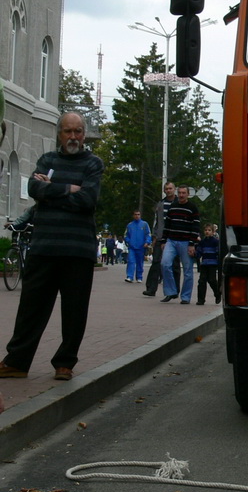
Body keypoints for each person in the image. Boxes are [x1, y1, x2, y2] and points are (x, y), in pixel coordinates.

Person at [0, 112, 103, 381]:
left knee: (74, 311)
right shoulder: (47, 160)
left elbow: (88, 200)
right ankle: (17, 362)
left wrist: (52, 190)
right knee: (30, 308)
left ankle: (64, 363)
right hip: (43, 247)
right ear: (59, 134)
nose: (73, 137)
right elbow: (34, 188)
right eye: (68, 131)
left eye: (78, 131)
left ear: (84, 134)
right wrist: (70, 189)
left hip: (77, 250)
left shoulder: (93, 163)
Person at [159, 184, 200, 304]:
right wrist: (163, 240)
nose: (181, 195)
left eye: (183, 193)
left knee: (188, 271)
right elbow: (167, 225)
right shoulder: (173, 206)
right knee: (165, 264)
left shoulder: (192, 208)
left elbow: (195, 227)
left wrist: (192, 243)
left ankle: (186, 297)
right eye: (180, 193)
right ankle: (171, 291)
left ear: (188, 194)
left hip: (186, 242)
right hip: (171, 240)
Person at [142, 181, 181, 297]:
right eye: (166, 189)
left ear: (174, 189)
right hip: (161, 237)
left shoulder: (179, 203)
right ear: (164, 190)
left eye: (170, 188)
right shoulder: (161, 204)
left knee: (174, 264)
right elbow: (156, 221)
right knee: (156, 262)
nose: (168, 190)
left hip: (175, 237)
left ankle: (175, 290)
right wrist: (154, 236)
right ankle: (151, 288)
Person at [195, 223, 221, 305]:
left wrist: (219, 262)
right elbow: (199, 252)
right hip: (204, 264)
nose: (207, 232)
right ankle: (201, 299)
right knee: (202, 281)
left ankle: (217, 293)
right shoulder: (202, 242)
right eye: (206, 230)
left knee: (212, 280)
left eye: (209, 230)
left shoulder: (215, 242)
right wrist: (195, 254)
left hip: (212, 264)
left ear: (213, 232)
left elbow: (218, 253)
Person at [124, 210, 152, 283]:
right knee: (131, 261)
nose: (137, 216)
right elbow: (126, 235)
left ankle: (139, 277)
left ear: (140, 215)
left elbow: (148, 234)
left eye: (138, 214)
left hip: (141, 247)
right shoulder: (130, 225)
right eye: (135, 214)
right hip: (132, 247)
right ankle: (129, 276)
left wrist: (147, 242)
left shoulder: (144, 224)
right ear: (133, 215)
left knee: (140, 263)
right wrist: (129, 241)